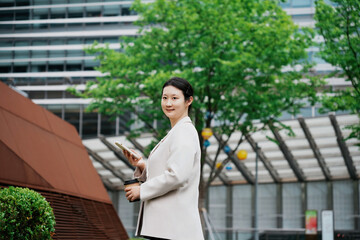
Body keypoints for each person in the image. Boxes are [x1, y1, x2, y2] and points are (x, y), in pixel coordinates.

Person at [123, 77, 204, 240]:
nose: (168, 103)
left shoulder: (184, 132)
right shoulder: (177, 131)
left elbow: (177, 176)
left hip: (174, 229)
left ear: (188, 101)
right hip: (170, 228)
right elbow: (173, 171)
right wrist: (142, 166)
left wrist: (142, 190)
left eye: (175, 98)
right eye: (165, 97)